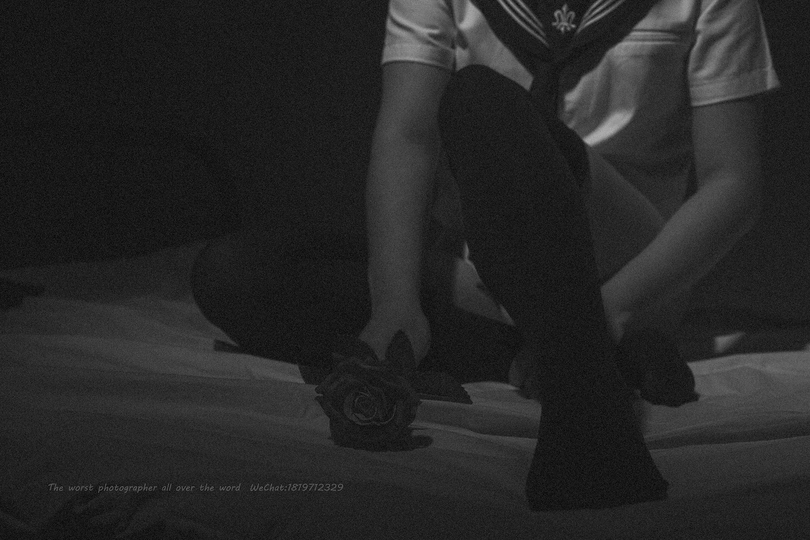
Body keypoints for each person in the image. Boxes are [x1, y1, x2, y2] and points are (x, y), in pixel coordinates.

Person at [356, 0, 779, 510]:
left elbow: (733, 182)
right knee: (286, 276)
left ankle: (585, 392)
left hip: (631, 266)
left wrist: (609, 309)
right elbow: (408, 135)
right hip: (490, 265)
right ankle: (585, 355)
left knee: (481, 101)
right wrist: (396, 304)